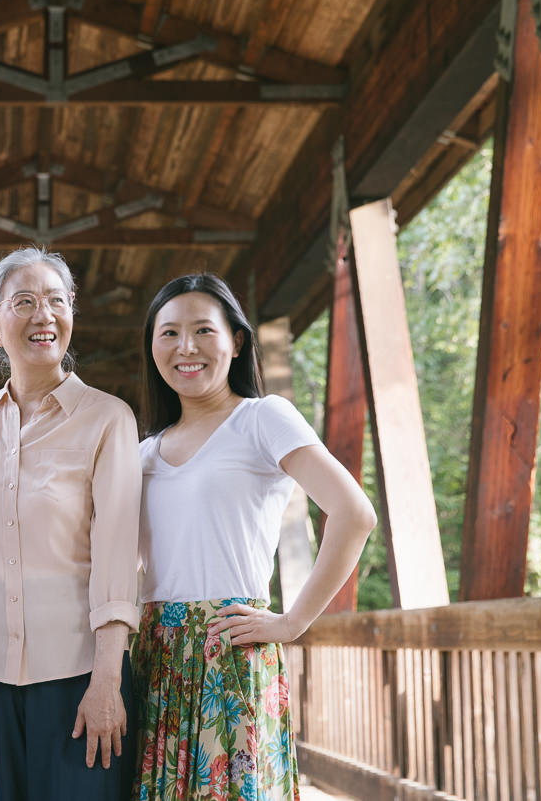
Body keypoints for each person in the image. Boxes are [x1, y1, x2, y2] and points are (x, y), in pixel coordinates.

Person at [133, 273, 375, 801]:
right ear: (152, 346)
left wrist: (291, 623)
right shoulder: (144, 453)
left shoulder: (262, 418)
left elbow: (354, 514)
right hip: (155, 662)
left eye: (203, 330)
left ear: (236, 341)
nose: (186, 348)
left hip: (231, 649)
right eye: (168, 333)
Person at [0, 247, 142, 801]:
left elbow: (117, 557)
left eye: (56, 300)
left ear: (72, 312)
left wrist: (107, 680)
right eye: (23, 302)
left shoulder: (108, 419)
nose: (43, 315)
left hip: (79, 678)